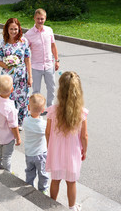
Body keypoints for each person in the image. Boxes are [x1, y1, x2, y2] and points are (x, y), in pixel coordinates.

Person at [45, 71, 89, 211]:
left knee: (55, 180)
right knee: (71, 182)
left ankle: (51, 204)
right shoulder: (81, 113)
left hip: (56, 151)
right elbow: (84, 136)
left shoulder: (53, 110)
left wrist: (49, 146)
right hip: (72, 153)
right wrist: (84, 150)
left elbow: (47, 133)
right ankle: (72, 207)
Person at [0, 18, 32, 129]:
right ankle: (9, 121)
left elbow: (27, 59)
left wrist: (30, 76)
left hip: (21, 77)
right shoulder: (2, 43)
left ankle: (20, 123)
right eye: (11, 29)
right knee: (9, 100)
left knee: (22, 100)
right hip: (8, 78)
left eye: (15, 29)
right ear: (7, 29)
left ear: (19, 29)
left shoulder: (23, 41)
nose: (13, 31)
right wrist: (8, 64)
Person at [25, 8, 59, 114]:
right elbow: (25, 52)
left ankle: (50, 107)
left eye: (42, 19)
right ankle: (37, 109)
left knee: (52, 87)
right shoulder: (28, 34)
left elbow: (53, 46)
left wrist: (57, 60)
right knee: (36, 91)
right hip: (35, 66)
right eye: (38, 18)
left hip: (49, 65)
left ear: (45, 19)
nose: (40, 21)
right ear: (34, 18)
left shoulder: (49, 30)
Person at [0, 75, 21, 172]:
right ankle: (6, 174)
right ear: (12, 89)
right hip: (7, 137)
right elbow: (13, 126)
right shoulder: (10, 108)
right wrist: (18, 137)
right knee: (7, 156)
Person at [22, 93, 49, 193]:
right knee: (43, 173)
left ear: (28, 107)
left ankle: (29, 186)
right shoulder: (43, 124)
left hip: (29, 153)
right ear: (42, 111)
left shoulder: (25, 121)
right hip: (41, 154)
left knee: (29, 172)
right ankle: (43, 189)